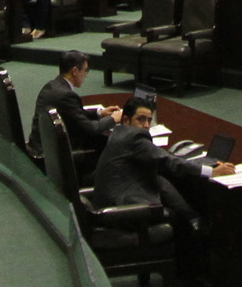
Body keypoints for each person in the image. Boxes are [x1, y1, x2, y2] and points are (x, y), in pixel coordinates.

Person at [93, 96, 234, 230]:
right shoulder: (134, 136)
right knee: (175, 216)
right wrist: (212, 171)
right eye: (141, 119)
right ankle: (195, 227)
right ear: (126, 120)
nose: (146, 125)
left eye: (149, 120)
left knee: (158, 179)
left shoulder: (118, 133)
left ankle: (194, 220)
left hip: (109, 204)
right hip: (123, 213)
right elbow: (167, 161)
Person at [30, 51, 120, 158]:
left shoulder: (51, 85)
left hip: (40, 145)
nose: (86, 75)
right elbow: (90, 129)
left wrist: (99, 113)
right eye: (85, 70)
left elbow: (74, 113)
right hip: (50, 155)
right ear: (75, 71)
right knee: (106, 141)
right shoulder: (66, 95)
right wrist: (113, 119)